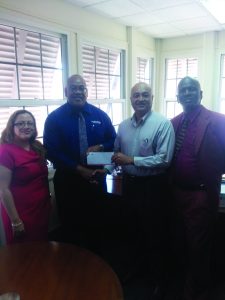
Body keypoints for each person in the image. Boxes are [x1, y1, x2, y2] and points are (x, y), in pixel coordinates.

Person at [110, 82, 175, 292]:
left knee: (155, 234)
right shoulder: (123, 126)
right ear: (131, 99)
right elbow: (117, 154)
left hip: (153, 187)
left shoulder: (162, 124)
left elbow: (164, 160)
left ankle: (159, 280)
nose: (140, 99)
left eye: (145, 95)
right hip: (129, 185)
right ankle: (135, 271)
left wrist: (132, 160)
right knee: (132, 231)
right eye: (136, 95)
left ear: (152, 98)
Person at [169, 76, 225, 300]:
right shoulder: (173, 122)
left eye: (193, 89)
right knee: (179, 240)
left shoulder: (219, 121)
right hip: (175, 192)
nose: (188, 92)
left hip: (201, 194)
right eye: (183, 90)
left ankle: (199, 289)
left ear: (201, 94)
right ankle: (183, 281)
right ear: (178, 97)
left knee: (198, 245)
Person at [43, 74, 116, 246]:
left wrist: (101, 147)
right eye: (73, 88)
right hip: (68, 180)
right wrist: (79, 169)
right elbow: (51, 151)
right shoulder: (54, 119)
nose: (78, 92)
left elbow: (114, 140)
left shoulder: (100, 116)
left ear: (86, 91)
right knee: (71, 226)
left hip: (97, 177)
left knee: (98, 222)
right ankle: (73, 266)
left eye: (81, 88)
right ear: (66, 91)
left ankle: (97, 264)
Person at [0, 110, 51, 244]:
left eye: (30, 123)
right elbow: (3, 190)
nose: (26, 126)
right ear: (12, 127)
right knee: (23, 255)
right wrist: (16, 221)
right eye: (21, 123)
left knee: (41, 248)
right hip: (21, 213)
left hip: (40, 209)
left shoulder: (36, 147)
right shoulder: (5, 151)